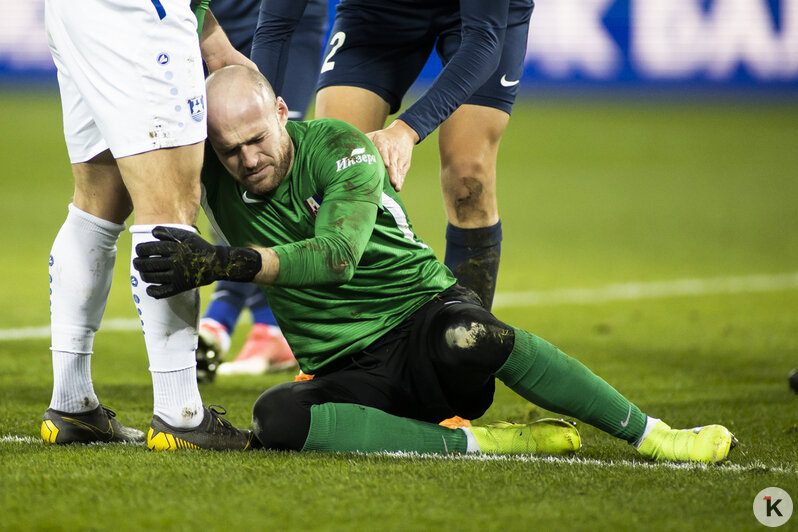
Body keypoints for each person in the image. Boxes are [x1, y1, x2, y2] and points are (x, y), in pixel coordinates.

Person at [133, 66, 737, 462]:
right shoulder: (208, 170)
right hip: (347, 369)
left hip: (424, 324)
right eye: (230, 150)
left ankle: (654, 435)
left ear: (283, 111)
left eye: (258, 138)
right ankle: (479, 443)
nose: (248, 159)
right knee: (276, 419)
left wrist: (221, 262)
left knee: (472, 335)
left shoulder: (341, 148)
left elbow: (336, 256)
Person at [41, 0, 254, 450]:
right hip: (140, 14)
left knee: (97, 203)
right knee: (171, 208)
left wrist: (208, 33)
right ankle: (181, 414)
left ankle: (71, 405)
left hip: (74, 12)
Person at [252, 0, 530, 312]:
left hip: (478, 23)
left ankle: (467, 333)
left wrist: (406, 131)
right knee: (330, 171)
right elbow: (275, 27)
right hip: (378, 10)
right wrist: (257, 125)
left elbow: (483, 42)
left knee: (468, 176)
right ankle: (346, 341)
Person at [193, 0, 328, 379]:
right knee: (222, 173)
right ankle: (247, 324)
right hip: (206, 26)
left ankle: (256, 324)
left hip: (284, 25)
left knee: (268, 172)